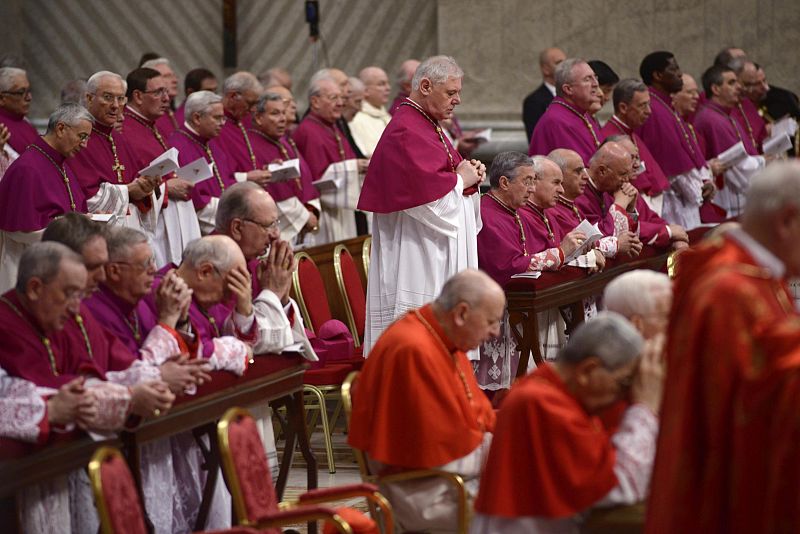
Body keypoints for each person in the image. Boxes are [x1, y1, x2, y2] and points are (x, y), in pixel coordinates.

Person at [646, 161, 800, 533]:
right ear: (787, 221)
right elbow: (743, 402)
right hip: (726, 497)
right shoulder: (728, 291)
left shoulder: (754, 273)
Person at [472, 312, 663, 534]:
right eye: (623, 382)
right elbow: (616, 486)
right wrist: (645, 408)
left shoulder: (556, 390)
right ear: (588, 370)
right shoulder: (542, 403)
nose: (622, 394)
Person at [349, 269, 501, 532]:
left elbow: (476, 417)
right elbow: (440, 457)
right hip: (424, 492)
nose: (496, 332)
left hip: (447, 479)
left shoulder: (443, 336)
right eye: (491, 321)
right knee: (534, 500)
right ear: (462, 314)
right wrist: (503, 447)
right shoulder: (414, 350)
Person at [358, 55, 486, 355]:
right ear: (425, 86)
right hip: (417, 252)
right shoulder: (406, 129)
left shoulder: (426, 124)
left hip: (432, 250)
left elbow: (443, 179)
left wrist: (469, 177)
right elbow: (427, 203)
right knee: (422, 345)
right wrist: (460, 180)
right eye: (451, 92)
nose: (458, 100)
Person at [214, 182, 316, 356]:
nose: (276, 234)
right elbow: (246, 345)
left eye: (276, 223)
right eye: (268, 225)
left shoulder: (254, 265)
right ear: (237, 227)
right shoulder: (214, 269)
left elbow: (288, 340)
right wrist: (272, 293)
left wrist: (282, 298)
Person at [0, 103, 91, 292]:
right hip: (29, 267)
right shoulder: (28, 169)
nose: (85, 145)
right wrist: (68, 226)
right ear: (60, 128)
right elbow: (19, 230)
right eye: (82, 137)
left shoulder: (60, 162)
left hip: (56, 262)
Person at [122, 67, 200, 266]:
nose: (167, 98)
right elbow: (126, 186)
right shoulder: (124, 130)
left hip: (169, 217)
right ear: (138, 96)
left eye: (166, 92)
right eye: (158, 92)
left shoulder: (151, 125)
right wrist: (166, 188)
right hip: (149, 224)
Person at [67, 70, 161, 233]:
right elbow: (85, 198)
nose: (116, 106)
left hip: (131, 228)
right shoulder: (78, 139)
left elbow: (137, 179)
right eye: (108, 97)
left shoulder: (119, 139)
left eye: (121, 98)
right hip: (99, 231)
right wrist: (129, 191)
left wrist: (147, 186)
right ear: (89, 98)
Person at [637, 51, 715, 229]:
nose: (680, 73)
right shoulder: (654, 108)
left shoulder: (665, 105)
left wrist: (705, 181)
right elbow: (671, 162)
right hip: (673, 201)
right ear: (657, 75)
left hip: (685, 198)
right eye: (674, 69)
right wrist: (698, 190)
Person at [578, 141, 688, 250]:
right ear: (602, 171)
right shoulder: (579, 192)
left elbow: (631, 233)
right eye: (622, 174)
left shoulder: (610, 186)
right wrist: (619, 206)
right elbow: (599, 237)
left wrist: (630, 209)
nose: (627, 180)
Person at [292, 75, 362, 244]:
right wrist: (354, 166)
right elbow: (317, 180)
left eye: (341, 98)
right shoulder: (308, 131)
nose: (340, 103)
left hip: (342, 209)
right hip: (324, 214)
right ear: (315, 102)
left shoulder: (333, 127)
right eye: (333, 98)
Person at [694, 64, 766, 218]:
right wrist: (764, 162)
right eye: (731, 83)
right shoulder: (711, 119)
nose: (738, 87)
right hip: (728, 198)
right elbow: (736, 169)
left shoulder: (725, 115)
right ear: (716, 89)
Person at [248, 92, 320, 243]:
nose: (282, 119)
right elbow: (273, 194)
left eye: (283, 113)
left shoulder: (284, 141)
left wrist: (310, 209)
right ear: (259, 118)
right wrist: (304, 217)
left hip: (302, 221)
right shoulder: (252, 146)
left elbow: (305, 180)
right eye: (275, 113)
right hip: (278, 230)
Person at [547, 148, 641, 259]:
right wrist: (619, 206)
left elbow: (591, 240)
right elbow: (572, 250)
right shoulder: (555, 209)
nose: (586, 176)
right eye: (578, 171)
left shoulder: (573, 205)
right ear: (559, 175)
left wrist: (629, 210)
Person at [168, 90, 237, 235]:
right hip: (200, 228)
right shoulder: (178, 147)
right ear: (197, 118)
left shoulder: (212, 144)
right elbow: (194, 201)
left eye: (223, 118)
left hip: (221, 213)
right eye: (217, 118)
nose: (222, 123)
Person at [600, 79, 670, 216]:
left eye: (649, 105)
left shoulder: (631, 132)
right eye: (643, 106)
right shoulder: (611, 139)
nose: (649, 111)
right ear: (623, 108)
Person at [529, 58, 602, 164]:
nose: (595, 84)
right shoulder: (556, 121)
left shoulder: (584, 114)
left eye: (595, 77)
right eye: (587, 79)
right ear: (568, 89)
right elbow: (575, 170)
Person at [217, 72, 271, 187]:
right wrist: (246, 177)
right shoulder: (215, 125)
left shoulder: (241, 120)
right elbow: (218, 173)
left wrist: (266, 168)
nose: (252, 110)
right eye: (250, 103)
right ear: (232, 96)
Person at [522, 47, 566, 141]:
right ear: (546, 69)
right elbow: (536, 139)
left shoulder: (573, 96)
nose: (564, 67)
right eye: (558, 63)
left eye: (565, 63)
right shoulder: (533, 102)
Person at [348, 66, 392, 157]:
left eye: (388, 83)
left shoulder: (387, 116)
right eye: (381, 84)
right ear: (366, 90)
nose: (388, 88)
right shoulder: (356, 119)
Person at [732, 60, 768, 153]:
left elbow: (760, 135)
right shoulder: (721, 109)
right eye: (747, 84)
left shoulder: (746, 102)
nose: (748, 89)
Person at [0, 66, 37, 156]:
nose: (29, 97)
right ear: (1, 98)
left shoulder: (24, 120)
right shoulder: (2, 130)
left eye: (29, 91)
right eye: (21, 92)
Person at [142, 57, 180, 135]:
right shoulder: (151, 115)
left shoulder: (169, 111)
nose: (175, 80)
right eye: (167, 76)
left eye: (173, 75)